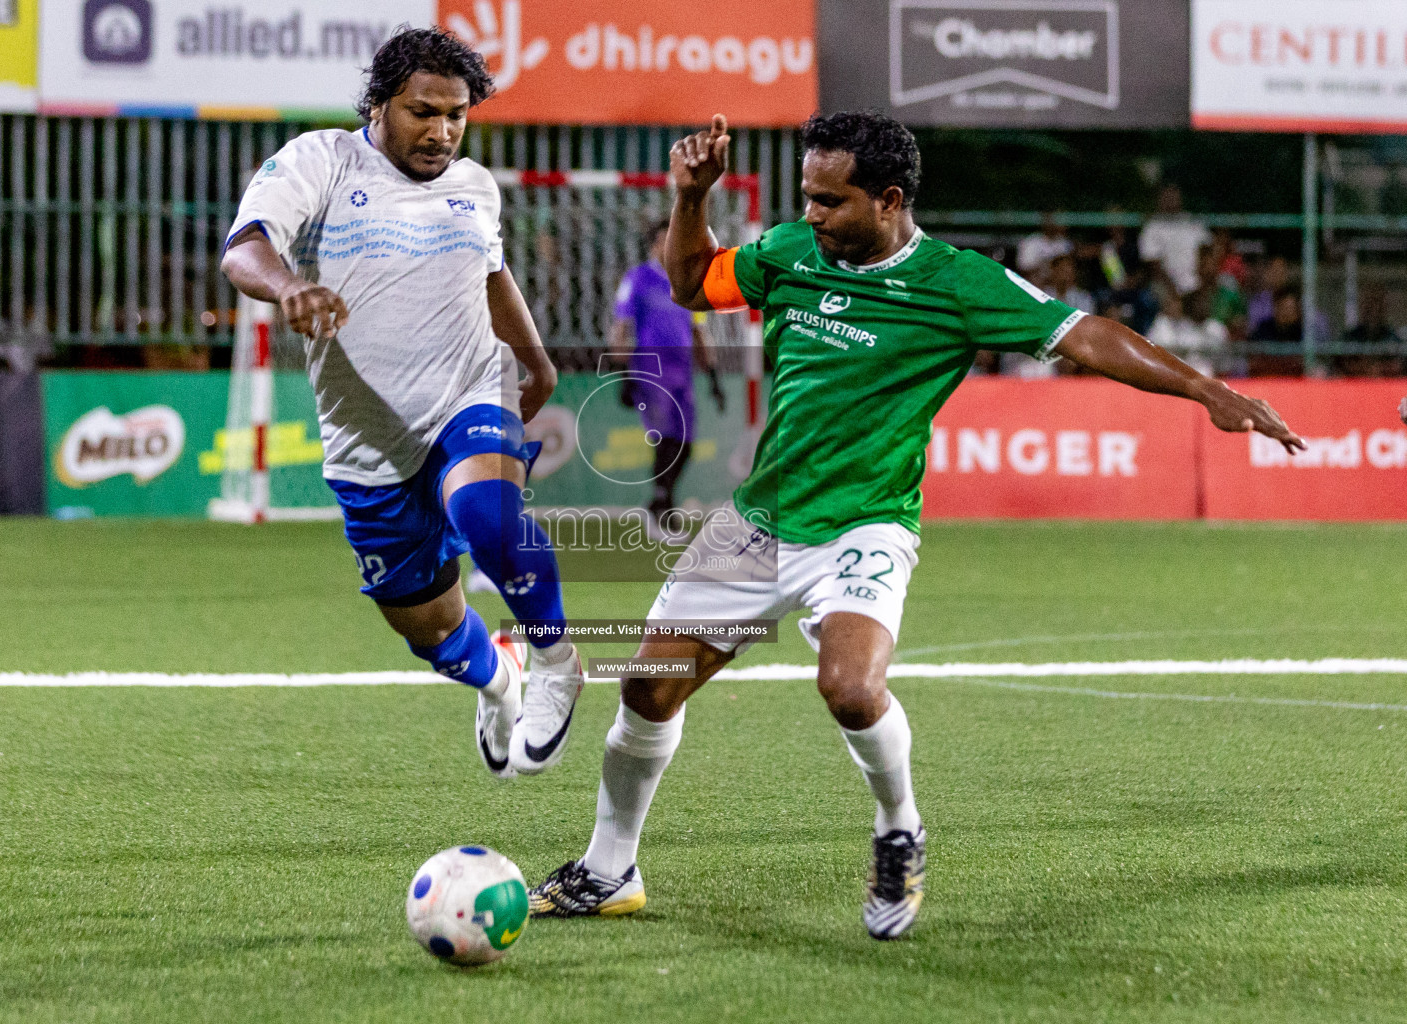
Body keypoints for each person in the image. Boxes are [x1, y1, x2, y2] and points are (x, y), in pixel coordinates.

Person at [526, 112, 1305, 939]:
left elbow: (1088, 336)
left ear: (889, 199)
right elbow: (692, 285)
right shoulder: (791, 251)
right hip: (760, 520)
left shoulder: (957, 281)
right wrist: (692, 196)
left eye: (831, 201)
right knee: (646, 689)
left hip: (865, 528)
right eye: (808, 198)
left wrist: (1208, 390)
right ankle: (610, 870)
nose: (814, 215)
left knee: (851, 689)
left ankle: (899, 829)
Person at [221, 28, 584, 779]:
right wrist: (289, 286)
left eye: (456, 115)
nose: (442, 131)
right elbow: (244, 247)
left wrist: (537, 358)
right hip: (368, 441)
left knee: (488, 514)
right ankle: (498, 681)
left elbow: (492, 274)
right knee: (432, 631)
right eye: (423, 112)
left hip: (467, 393)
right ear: (379, 104)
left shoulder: (473, 186)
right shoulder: (320, 162)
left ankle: (555, 660)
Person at [609, 221, 721, 526]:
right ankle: (662, 506)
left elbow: (699, 330)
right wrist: (622, 374)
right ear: (653, 246)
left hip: (683, 373)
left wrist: (712, 376)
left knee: (686, 443)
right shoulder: (637, 279)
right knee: (665, 438)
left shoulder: (686, 282)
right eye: (663, 242)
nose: (668, 247)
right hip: (651, 370)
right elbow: (622, 327)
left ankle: (661, 501)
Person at [1138, 184, 1211, 298]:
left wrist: (1202, 283)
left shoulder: (1192, 222)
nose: (1171, 199)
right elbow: (1153, 264)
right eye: (1167, 195)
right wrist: (1174, 291)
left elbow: (1207, 252)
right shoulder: (1152, 226)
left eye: (1174, 194)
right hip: (1165, 286)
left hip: (1198, 284)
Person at [1340, 289, 1403, 377]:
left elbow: (1397, 365)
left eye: (1377, 304)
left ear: (1383, 308)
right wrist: (1365, 368)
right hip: (1356, 384)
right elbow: (1343, 364)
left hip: (1385, 385)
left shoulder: (1392, 337)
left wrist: (1379, 368)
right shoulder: (1351, 336)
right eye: (1369, 305)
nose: (1373, 310)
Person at [1015, 210, 1072, 282]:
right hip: (1036, 284)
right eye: (1050, 220)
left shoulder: (1065, 243)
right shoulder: (1031, 242)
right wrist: (1046, 265)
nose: (1053, 224)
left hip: (1057, 286)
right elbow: (1023, 269)